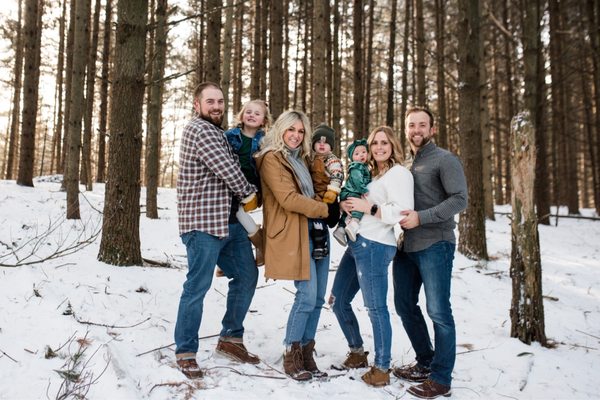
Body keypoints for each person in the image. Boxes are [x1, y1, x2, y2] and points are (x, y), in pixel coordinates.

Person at [174, 82, 261, 379]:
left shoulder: (220, 133)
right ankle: (185, 351)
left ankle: (230, 339)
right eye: (210, 101)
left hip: (227, 223)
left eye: (221, 101)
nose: (217, 106)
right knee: (197, 287)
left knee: (247, 275)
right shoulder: (199, 130)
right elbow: (228, 170)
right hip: (202, 225)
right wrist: (251, 194)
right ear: (197, 105)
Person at [392, 106, 467, 399]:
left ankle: (441, 378)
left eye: (422, 125)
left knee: (438, 311)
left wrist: (421, 218)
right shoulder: (406, 164)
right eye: (411, 125)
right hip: (406, 246)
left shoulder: (445, 159)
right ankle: (425, 362)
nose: (416, 130)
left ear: (432, 129)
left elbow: (460, 199)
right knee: (404, 306)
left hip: (436, 243)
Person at [329, 126, 414, 387]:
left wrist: (370, 207)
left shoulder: (399, 173)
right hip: (358, 243)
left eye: (384, 142)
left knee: (376, 308)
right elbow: (357, 198)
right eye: (374, 142)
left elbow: (403, 212)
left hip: (376, 246)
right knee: (338, 300)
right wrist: (347, 204)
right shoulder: (373, 174)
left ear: (393, 146)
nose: (378, 147)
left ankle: (382, 368)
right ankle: (357, 352)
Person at [255, 110, 334, 381]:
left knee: (319, 298)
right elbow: (288, 198)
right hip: (293, 233)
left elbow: (318, 187)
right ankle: (292, 352)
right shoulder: (271, 159)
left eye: (301, 132)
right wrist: (325, 209)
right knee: (307, 295)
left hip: (316, 232)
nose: (296, 136)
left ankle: (307, 353)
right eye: (291, 130)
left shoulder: (303, 159)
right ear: (281, 130)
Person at [224, 99, 272, 267]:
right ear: (242, 115)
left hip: (253, 188)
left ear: (264, 121)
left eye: (257, 114)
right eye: (248, 112)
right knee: (232, 217)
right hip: (232, 187)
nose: (252, 115)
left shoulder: (264, 141)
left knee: (237, 215)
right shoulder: (229, 136)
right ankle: (257, 245)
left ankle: (260, 244)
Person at [309, 123, 344, 259]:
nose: (322, 145)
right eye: (318, 141)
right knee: (315, 221)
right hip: (315, 194)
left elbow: (337, 175)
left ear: (331, 146)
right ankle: (317, 243)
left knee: (320, 220)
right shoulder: (312, 160)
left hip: (327, 195)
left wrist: (333, 191)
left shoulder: (331, 160)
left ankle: (321, 245)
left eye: (325, 142)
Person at [332, 138, 371, 245]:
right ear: (352, 157)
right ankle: (353, 225)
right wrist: (363, 190)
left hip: (349, 192)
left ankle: (340, 230)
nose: (361, 155)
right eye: (357, 153)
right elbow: (357, 180)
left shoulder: (364, 166)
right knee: (358, 206)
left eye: (364, 152)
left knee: (348, 212)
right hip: (353, 192)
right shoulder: (357, 167)